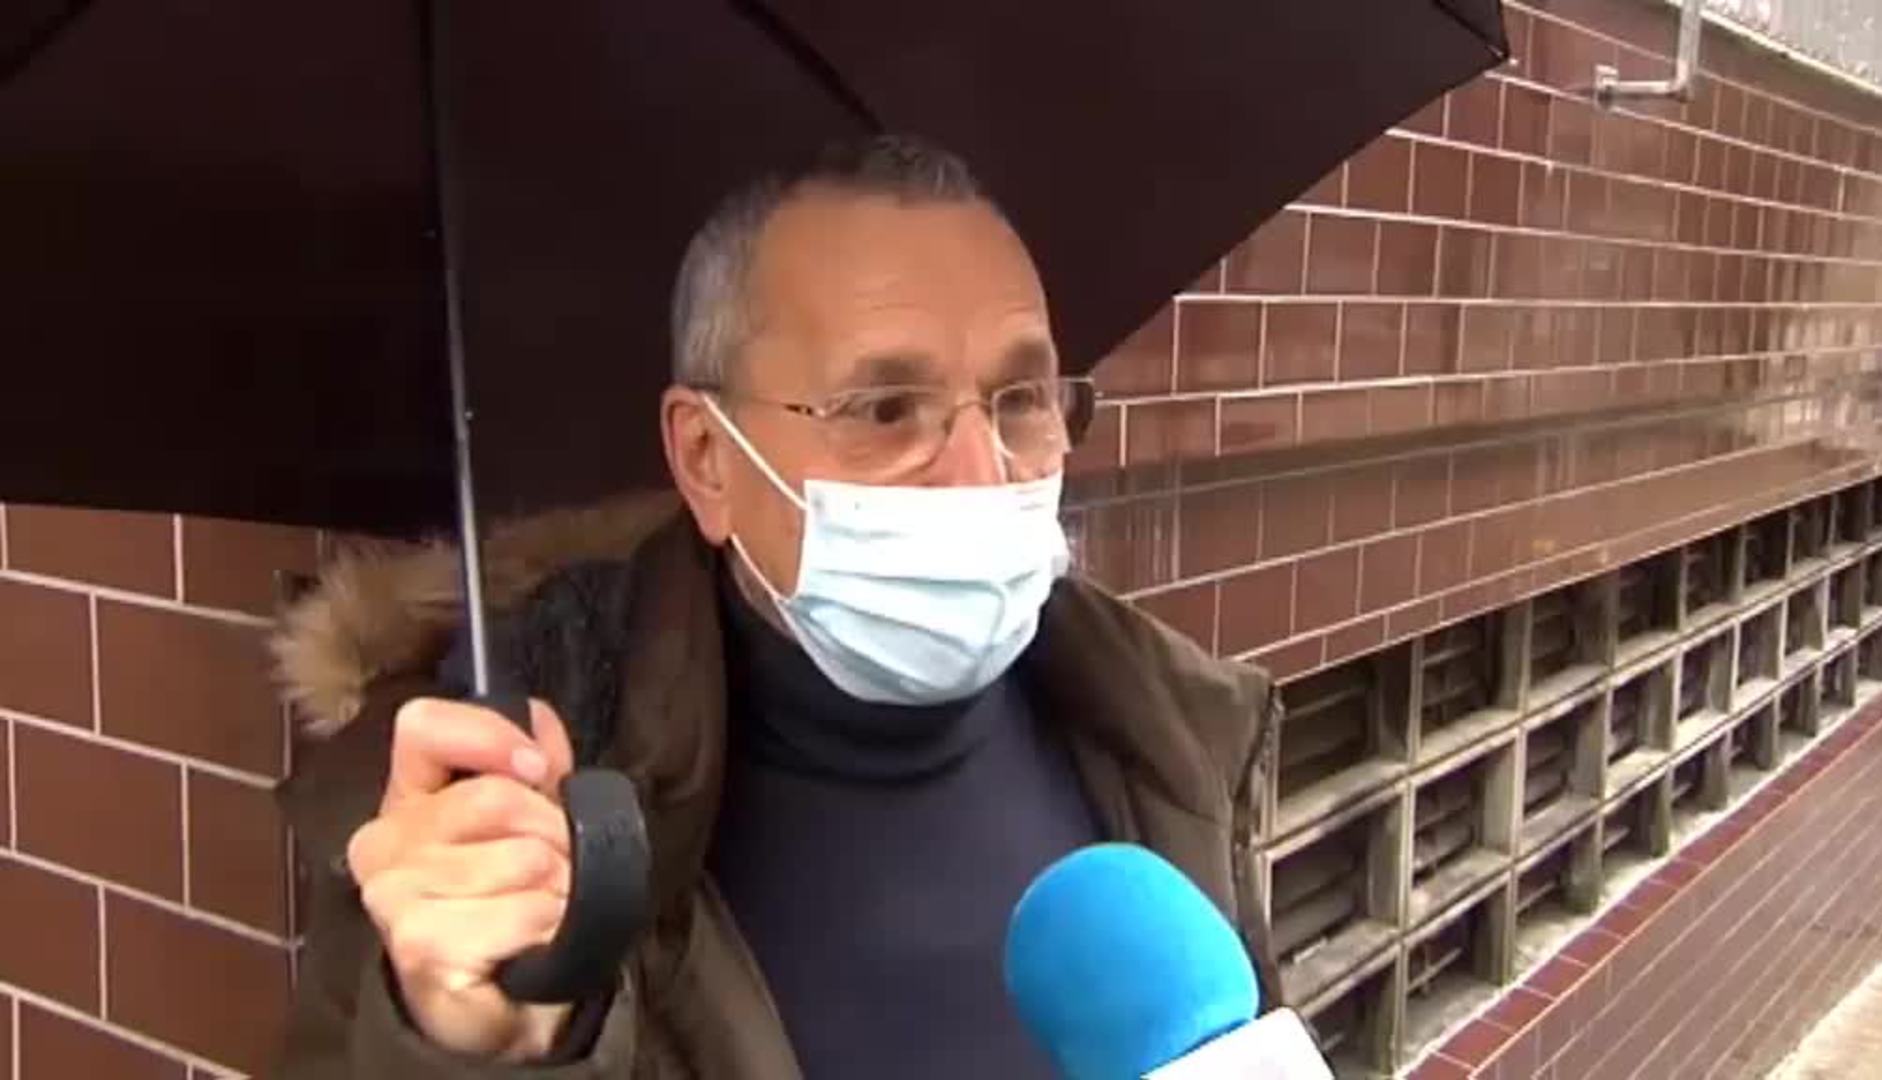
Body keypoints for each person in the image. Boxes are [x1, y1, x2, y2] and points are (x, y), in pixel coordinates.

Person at [273, 134, 1281, 1079]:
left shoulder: (1170, 732)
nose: (983, 474)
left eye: (1021, 400)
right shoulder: (484, 817)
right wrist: (465, 1051)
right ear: (707, 458)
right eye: (886, 409)